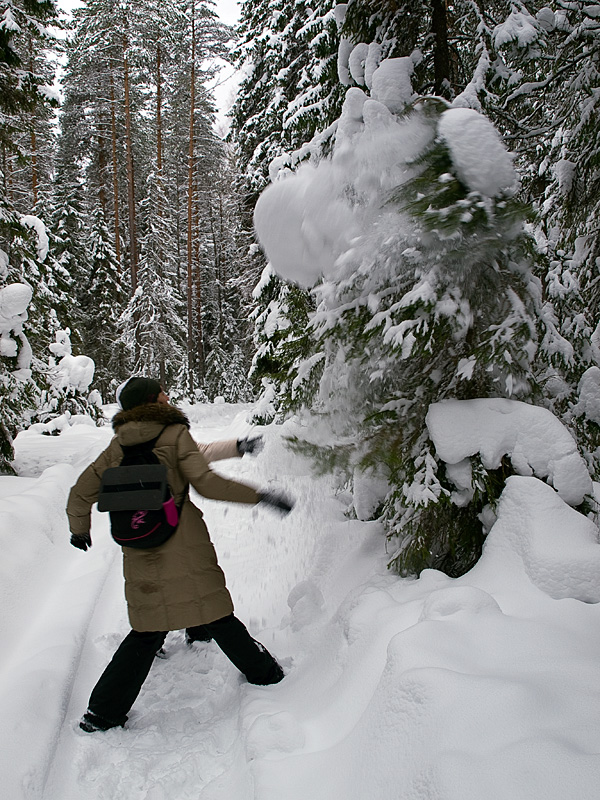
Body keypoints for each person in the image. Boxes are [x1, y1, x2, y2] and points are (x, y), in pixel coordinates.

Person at [67, 376, 293, 733]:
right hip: (182, 537)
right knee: (217, 610)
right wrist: (260, 496)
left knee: (147, 627)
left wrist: (78, 529)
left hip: (138, 542)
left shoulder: (117, 445)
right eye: (162, 392)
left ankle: (103, 712)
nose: (168, 395)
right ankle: (266, 674)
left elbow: (80, 492)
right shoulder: (173, 434)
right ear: (153, 401)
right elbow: (206, 481)